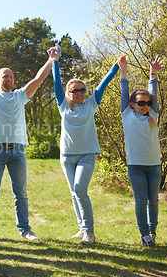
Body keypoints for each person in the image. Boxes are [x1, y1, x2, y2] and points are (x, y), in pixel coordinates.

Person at [0, 46, 58, 243]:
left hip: (17, 151)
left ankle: (25, 230)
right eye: (5, 76)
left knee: (20, 193)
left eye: (11, 76)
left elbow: (38, 79)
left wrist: (51, 59)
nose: (9, 79)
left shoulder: (21, 95)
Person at [52, 48, 122, 244]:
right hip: (67, 156)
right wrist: (55, 61)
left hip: (87, 155)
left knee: (80, 189)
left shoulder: (91, 104)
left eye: (83, 90)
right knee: (74, 192)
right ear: (68, 94)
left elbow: (103, 85)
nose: (80, 93)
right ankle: (82, 227)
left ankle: (89, 232)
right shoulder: (63, 105)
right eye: (75, 90)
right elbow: (56, 83)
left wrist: (116, 66)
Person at [120, 56, 163, 247]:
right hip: (135, 165)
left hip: (154, 165)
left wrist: (153, 74)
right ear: (132, 104)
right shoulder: (127, 114)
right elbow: (125, 90)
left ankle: (152, 231)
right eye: (140, 103)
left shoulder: (152, 115)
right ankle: (144, 233)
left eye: (147, 102)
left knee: (153, 200)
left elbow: (153, 92)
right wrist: (123, 71)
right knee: (140, 200)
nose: (145, 105)